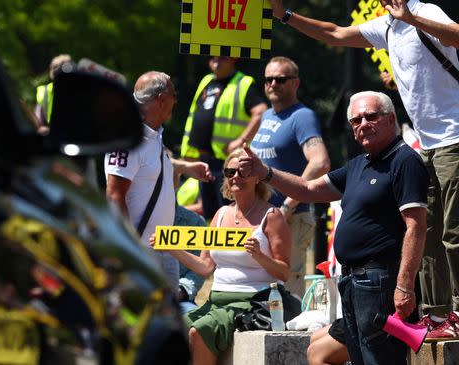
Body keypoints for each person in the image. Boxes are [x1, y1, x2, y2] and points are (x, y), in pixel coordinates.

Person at [259, 0, 459, 336]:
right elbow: (334, 34)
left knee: (454, 232)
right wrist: (285, 15)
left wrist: (411, 18)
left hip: (453, 140)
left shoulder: (426, 12)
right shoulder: (385, 28)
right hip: (425, 146)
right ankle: (436, 316)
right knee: (427, 232)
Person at [238, 90, 428, 365]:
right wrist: (266, 172)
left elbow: (416, 227)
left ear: (390, 119)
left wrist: (404, 286)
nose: (363, 124)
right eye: (356, 120)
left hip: (380, 280)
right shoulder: (359, 165)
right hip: (352, 281)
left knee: (380, 358)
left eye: (371, 116)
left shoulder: (404, 160)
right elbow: (307, 189)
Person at [151, 147, 290, 365]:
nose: (236, 177)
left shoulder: (271, 216)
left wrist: (259, 256)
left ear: (256, 177)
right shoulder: (220, 214)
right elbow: (205, 267)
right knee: (172, 329)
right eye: (230, 172)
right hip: (216, 300)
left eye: (243, 172)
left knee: (199, 331)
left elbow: (284, 272)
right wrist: (170, 247)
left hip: (253, 301)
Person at [105, 71, 212, 287]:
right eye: (174, 95)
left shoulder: (153, 135)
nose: (176, 100)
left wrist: (185, 167)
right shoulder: (129, 139)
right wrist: (131, 247)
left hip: (164, 248)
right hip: (141, 252)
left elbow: (148, 169)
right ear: (162, 99)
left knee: (166, 315)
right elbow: (114, 195)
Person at [250, 56, 331, 298]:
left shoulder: (302, 116)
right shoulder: (267, 117)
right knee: (265, 286)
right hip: (265, 217)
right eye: (268, 80)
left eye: (280, 79)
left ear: (295, 83)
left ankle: (289, 337)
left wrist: (288, 205)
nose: (272, 84)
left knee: (287, 291)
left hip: (291, 218)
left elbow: (320, 162)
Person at [178, 56, 268, 220]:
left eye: (223, 56)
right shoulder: (207, 80)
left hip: (227, 165)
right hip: (205, 161)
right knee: (210, 216)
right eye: (212, 56)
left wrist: (241, 141)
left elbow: (261, 111)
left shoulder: (243, 83)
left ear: (234, 58)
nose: (216, 60)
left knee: (228, 214)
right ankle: (212, 247)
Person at [34, 54, 75, 131]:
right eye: (54, 67)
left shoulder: (81, 90)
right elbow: (38, 123)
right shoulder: (43, 92)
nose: (55, 70)